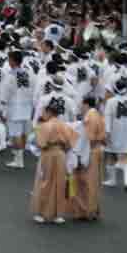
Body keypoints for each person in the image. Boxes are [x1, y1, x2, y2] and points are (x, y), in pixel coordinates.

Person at [31, 96, 76, 225]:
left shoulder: (45, 126)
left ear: (50, 112)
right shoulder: (65, 126)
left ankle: (42, 213)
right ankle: (59, 214)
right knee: (60, 182)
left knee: (45, 181)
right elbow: (70, 144)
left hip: (48, 154)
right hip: (61, 154)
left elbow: (41, 144)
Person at [70, 95, 106, 221]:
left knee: (84, 182)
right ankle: (93, 209)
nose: (80, 106)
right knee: (95, 182)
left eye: (81, 104)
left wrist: (80, 157)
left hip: (90, 151)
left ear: (86, 104)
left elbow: (87, 139)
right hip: (98, 149)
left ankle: (84, 210)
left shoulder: (89, 118)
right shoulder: (99, 115)